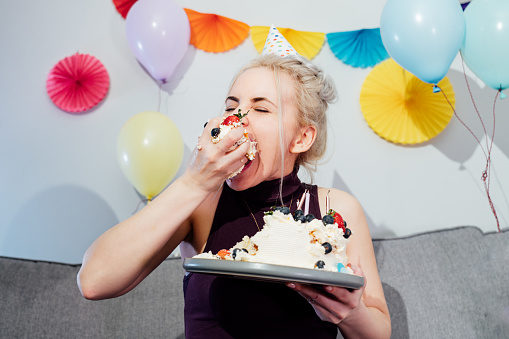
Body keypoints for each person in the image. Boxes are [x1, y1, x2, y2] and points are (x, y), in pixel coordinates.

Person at [78, 52, 391, 338]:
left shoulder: (333, 210)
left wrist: (350, 313)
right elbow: (94, 281)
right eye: (231, 107)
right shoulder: (202, 203)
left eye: (260, 107)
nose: (236, 120)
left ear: (302, 137)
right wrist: (194, 183)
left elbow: (377, 332)